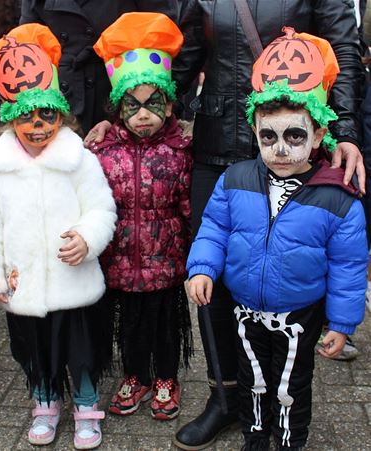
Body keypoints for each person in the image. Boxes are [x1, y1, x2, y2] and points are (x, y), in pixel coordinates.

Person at [86, 1, 367, 448]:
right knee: (211, 274)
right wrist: (131, 110)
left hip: (289, 140)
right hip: (216, 147)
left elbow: (344, 48)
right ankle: (227, 397)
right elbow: (189, 56)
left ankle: (282, 394)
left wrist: (347, 130)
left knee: (293, 256)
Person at [185, 28, 368, 451]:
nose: (281, 149)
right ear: (254, 129)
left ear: (319, 135)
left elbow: (348, 266)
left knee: (290, 385)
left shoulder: (337, 200)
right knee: (252, 379)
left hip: (298, 318)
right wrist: (202, 267)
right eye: (269, 136)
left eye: (295, 136)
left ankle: (288, 440)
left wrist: (342, 322)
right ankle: (255, 437)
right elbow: (214, 228)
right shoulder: (236, 179)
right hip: (246, 310)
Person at [0, 24, 117, 449]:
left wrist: (88, 238)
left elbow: (102, 209)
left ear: (60, 114)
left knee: (80, 349)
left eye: (46, 115)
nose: (37, 126)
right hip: (25, 283)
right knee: (34, 349)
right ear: (11, 118)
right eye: (26, 117)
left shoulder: (79, 160)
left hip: (75, 282)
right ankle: (45, 400)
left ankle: (86, 405)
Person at [89, 12, 193, 421]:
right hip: (121, 259)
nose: (143, 114)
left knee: (164, 325)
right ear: (119, 108)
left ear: (168, 106)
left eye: (154, 103)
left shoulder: (182, 149)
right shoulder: (102, 150)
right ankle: (136, 375)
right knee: (129, 326)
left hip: (166, 260)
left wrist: (193, 250)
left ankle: (166, 376)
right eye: (133, 106)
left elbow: (188, 204)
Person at [19, 0, 179, 135]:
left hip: (127, 97)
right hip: (62, 101)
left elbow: (164, 31)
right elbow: (28, 46)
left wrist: (139, 109)